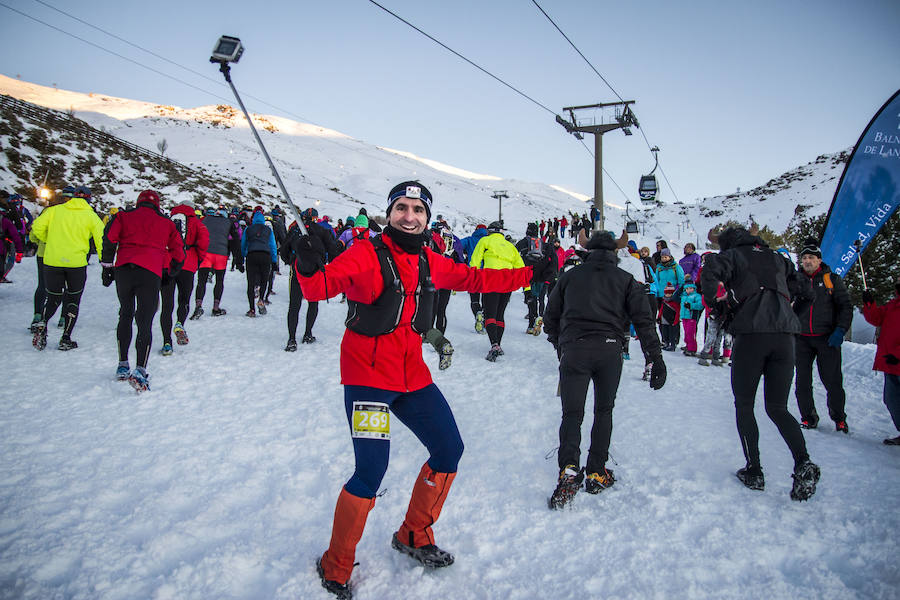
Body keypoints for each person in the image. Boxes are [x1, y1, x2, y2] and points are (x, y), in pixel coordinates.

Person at [293, 181, 531, 598]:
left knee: (448, 449)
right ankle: (336, 564)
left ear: (427, 218)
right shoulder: (365, 254)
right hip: (368, 380)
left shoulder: (430, 259)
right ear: (390, 213)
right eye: (401, 207)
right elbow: (318, 287)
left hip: (412, 378)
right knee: (371, 472)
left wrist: (533, 273)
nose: (409, 215)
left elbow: (477, 278)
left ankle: (413, 533)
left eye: (418, 209)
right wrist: (308, 261)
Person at [543, 231, 666, 509]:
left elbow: (550, 319)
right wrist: (654, 358)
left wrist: (561, 347)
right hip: (610, 350)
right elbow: (644, 321)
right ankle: (597, 471)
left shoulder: (569, 277)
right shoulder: (625, 280)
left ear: (587, 251)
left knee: (572, 414)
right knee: (604, 410)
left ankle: (569, 471)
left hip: (574, 349)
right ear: (615, 253)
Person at [701, 226, 819, 501]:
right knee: (778, 407)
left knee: (744, 403)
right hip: (785, 337)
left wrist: (716, 306)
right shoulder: (779, 258)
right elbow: (808, 293)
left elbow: (709, 273)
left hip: (751, 335)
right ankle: (803, 462)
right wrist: (791, 318)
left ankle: (754, 470)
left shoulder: (732, 255)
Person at [102, 190, 184, 391]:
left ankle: (122, 364)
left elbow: (109, 239)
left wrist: (107, 266)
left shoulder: (122, 216)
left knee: (126, 314)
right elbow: (178, 252)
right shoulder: (166, 223)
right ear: (157, 204)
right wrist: (170, 272)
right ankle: (140, 369)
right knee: (145, 320)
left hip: (124, 269)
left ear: (138, 202)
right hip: (150, 272)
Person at [29, 184, 104, 351]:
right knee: (73, 299)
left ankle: (43, 322)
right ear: (89, 199)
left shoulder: (54, 211)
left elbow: (37, 227)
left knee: (53, 297)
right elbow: (102, 240)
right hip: (76, 264)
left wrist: (49, 240)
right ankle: (66, 337)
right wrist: (104, 261)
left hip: (52, 261)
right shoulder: (91, 216)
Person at [793, 238, 851, 432]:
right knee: (802, 381)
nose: (807, 261)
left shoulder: (831, 280)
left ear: (819, 260)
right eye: (804, 258)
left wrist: (840, 330)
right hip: (801, 338)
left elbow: (845, 306)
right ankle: (808, 416)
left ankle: (839, 418)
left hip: (826, 338)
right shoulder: (795, 281)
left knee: (832, 381)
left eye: (811, 258)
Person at [281, 207, 341, 350]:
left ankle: (291, 339)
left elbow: (284, 249)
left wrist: (290, 260)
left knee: (294, 305)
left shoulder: (295, 231)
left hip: (297, 270)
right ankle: (308, 333)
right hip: (316, 272)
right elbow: (332, 250)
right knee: (313, 303)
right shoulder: (322, 231)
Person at [469, 221, 527, 361]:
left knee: (490, 313)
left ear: (490, 231)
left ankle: (494, 345)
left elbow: (475, 260)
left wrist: (473, 277)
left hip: (491, 279)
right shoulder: (510, 245)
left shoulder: (485, 240)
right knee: (500, 314)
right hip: (506, 282)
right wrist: (526, 287)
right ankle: (498, 344)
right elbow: (520, 267)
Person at [159, 201, 208, 355]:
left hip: (168, 263)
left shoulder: (168, 221)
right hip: (188, 264)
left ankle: (167, 342)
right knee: (184, 299)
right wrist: (198, 260)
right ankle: (180, 323)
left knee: (167, 305)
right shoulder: (197, 223)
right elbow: (204, 242)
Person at [861, 274, 900, 445]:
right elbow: (876, 318)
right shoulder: (894, 304)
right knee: (891, 400)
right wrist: (869, 303)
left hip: (896, 360)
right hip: (890, 363)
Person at [193, 206, 242, 318]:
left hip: (207, 253)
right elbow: (235, 241)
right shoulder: (228, 222)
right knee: (219, 281)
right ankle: (216, 308)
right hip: (221, 254)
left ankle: (198, 306)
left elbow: (198, 235)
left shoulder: (205, 220)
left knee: (202, 281)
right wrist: (238, 260)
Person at [516, 222, 556, 336]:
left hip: (528, 274)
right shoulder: (542, 243)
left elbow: (513, 252)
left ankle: (531, 323)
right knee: (540, 298)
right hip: (542, 275)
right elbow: (552, 258)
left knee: (530, 298)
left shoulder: (524, 241)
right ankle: (540, 315)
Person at [241, 206, 277, 317]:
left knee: (251, 283)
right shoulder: (268, 230)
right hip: (265, 255)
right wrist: (274, 260)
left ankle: (251, 309)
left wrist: (242, 257)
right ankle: (261, 299)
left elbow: (243, 244)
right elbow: (272, 245)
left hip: (252, 255)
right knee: (264, 280)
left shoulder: (248, 229)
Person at [458, 223, 489, 332]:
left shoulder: (470, 240)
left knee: (474, 299)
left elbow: (458, 246)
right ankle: (485, 322)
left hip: (474, 273)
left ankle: (477, 312)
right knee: (487, 300)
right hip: (488, 274)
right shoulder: (489, 241)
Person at [680, 279, 704, 356]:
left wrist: (691, 306)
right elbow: (675, 297)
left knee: (690, 333)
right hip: (684, 317)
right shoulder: (683, 296)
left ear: (694, 288)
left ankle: (692, 349)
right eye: (687, 289)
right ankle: (688, 346)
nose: (689, 290)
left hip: (691, 317)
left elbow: (700, 305)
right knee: (686, 333)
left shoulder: (697, 296)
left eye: (690, 288)